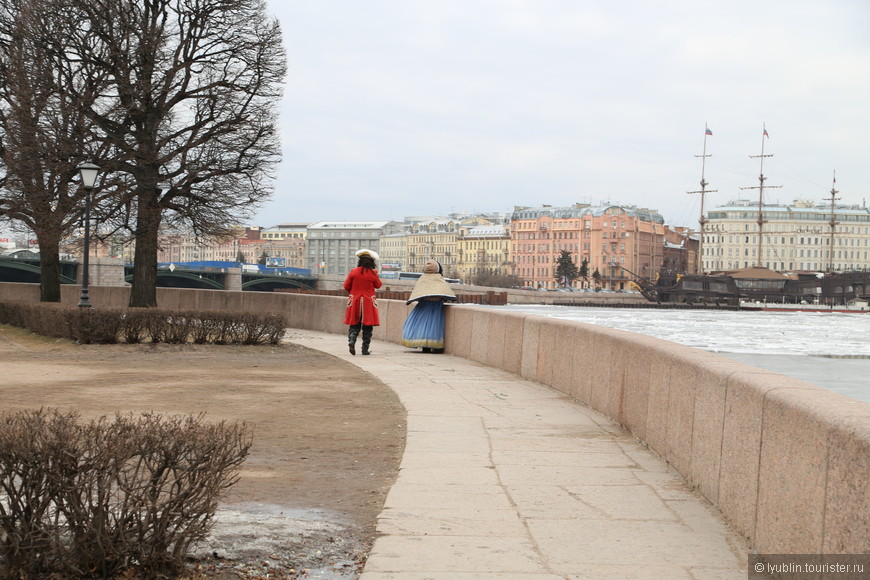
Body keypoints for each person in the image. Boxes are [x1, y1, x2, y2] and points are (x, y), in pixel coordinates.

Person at [401, 259, 457, 353]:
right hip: (435, 306)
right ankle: (436, 346)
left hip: (423, 305)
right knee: (434, 326)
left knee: (422, 326)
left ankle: (425, 347)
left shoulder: (422, 279)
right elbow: (445, 293)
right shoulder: (439, 279)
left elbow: (418, 293)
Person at [343, 249, 382, 355]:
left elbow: (346, 286)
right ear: (371, 262)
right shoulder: (373, 273)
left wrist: (353, 292)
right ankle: (365, 349)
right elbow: (378, 285)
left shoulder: (353, 271)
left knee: (354, 324)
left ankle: (351, 340)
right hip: (368, 302)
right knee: (367, 326)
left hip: (354, 301)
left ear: (360, 261)